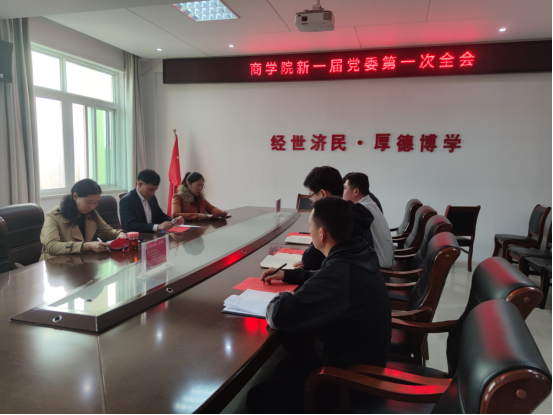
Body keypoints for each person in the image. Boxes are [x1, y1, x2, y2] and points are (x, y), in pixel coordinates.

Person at [246, 197, 391, 413]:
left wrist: (281, 296)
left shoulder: (340, 273)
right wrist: (289, 274)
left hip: (350, 384)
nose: (310, 232)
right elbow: (325, 276)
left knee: (256, 398)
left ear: (322, 234)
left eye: (310, 227)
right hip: (362, 359)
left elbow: (280, 315)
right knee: (286, 366)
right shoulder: (359, 253)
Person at [297, 166, 375, 271]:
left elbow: (309, 261)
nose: (312, 201)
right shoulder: (353, 210)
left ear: (323, 194)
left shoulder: (336, 218)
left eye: (312, 196)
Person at [40, 179, 127, 261]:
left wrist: (119, 234)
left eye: (96, 202)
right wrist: (86, 246)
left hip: (79, 261)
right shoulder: (53, 216)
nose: (92, 206)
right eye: (89, 202)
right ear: (75, 196)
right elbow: (52, 246)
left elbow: (106, 231)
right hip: (55, 264)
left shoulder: (91, 213)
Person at [343, 172, 395, 269]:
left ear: (356, 191)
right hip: (386, 259)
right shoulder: (370, 203)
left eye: (345, 188)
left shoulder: (362, 209)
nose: (343, 193)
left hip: (380, 266)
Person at [120, 169, 184, 233]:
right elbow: (130, 226)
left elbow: (160, 216)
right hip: (137, 237)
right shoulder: (126, 201)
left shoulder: (152, 198)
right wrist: (157, 227)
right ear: (140, 184)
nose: (153, 193)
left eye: (155, 190)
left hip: (153, 236)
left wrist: (173, 220)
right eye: (150, 189)